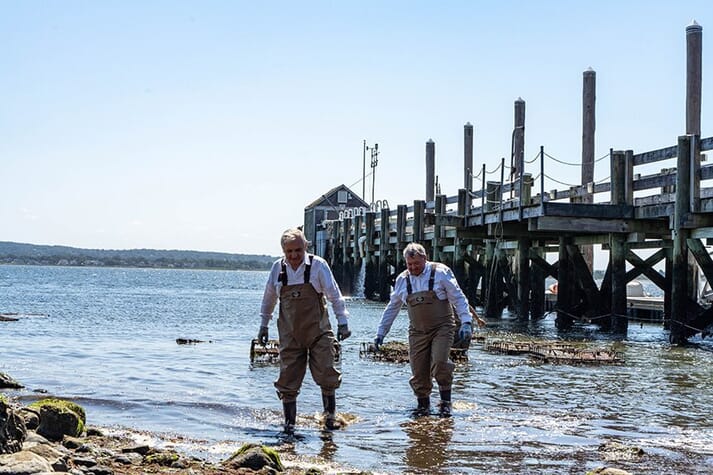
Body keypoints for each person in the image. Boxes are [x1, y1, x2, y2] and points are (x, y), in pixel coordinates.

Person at [258, 227, 351, 434]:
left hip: (319, 332)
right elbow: (269, 299)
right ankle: (289, 425)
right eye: (289, 251)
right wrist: (264, 325)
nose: (294, 256)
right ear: (283, 251)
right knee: (287, 379)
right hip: (289, 334)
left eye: (298, 250)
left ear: (305, 247)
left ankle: (330, 418)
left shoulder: (318, 266)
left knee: (327, 373)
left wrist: (342, 322)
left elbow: (335, 295)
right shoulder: (277, 269)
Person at [373, 242, 473, 417]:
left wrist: (466, 322)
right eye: (409, 264)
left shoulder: (441, 273)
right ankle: (423, 407)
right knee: (418, 372)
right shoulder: (402, 280)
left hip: (443, 327)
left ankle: (445, 403)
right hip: (417, 331)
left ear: (425, 259)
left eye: (416, 264)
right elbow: (392, 308)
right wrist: (381, 333)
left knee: (440, 363)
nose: (412, 268)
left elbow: (458, 297)